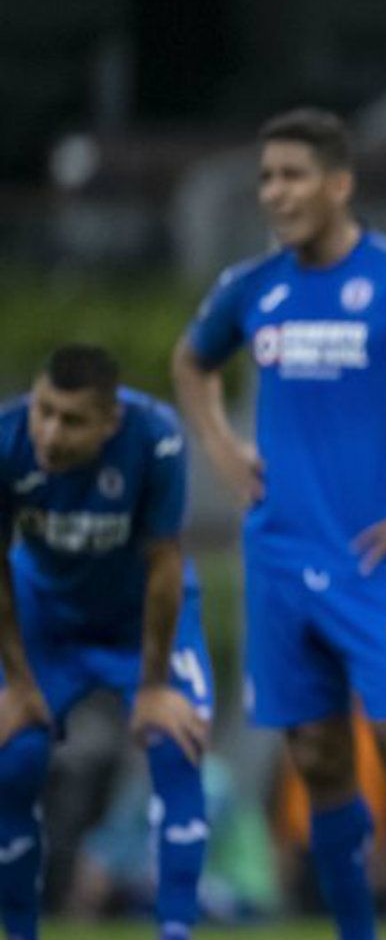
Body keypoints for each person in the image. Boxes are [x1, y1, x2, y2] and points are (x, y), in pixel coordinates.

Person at [173, 108, 386, 940]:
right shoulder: (252, 288)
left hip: (376, 561)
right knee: (319, 759)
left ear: (339, 183)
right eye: (265, 177)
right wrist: (220, 447)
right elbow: (193, 362)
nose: (275, 192)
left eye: (292, 175)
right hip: (281, 560)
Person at [0, 345, 214, 940]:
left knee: (178, 745)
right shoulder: (6, 439)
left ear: (108, 422)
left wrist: (152, 687)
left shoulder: (155, 441)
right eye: (44, 410)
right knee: (12, 759)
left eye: (71, 420)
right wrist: (18, 684)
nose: (49, 431)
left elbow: (165, 566)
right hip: (46, 618)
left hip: (137, 618)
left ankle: (176, 931)